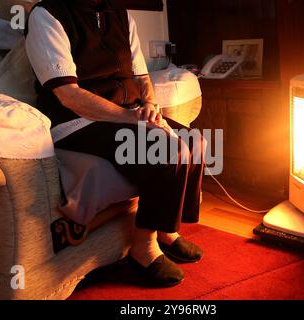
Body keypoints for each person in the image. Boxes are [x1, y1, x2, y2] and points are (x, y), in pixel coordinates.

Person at [25, 0, 205, 287]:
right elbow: (68, 94)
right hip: (77, 121)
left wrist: (150, 107)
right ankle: (143, 248)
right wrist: (131, 117)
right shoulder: (47, 14)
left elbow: (141, 76)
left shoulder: (119, 14)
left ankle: (166, 230)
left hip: (126, 115)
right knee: (166, 150)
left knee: (193, 140)